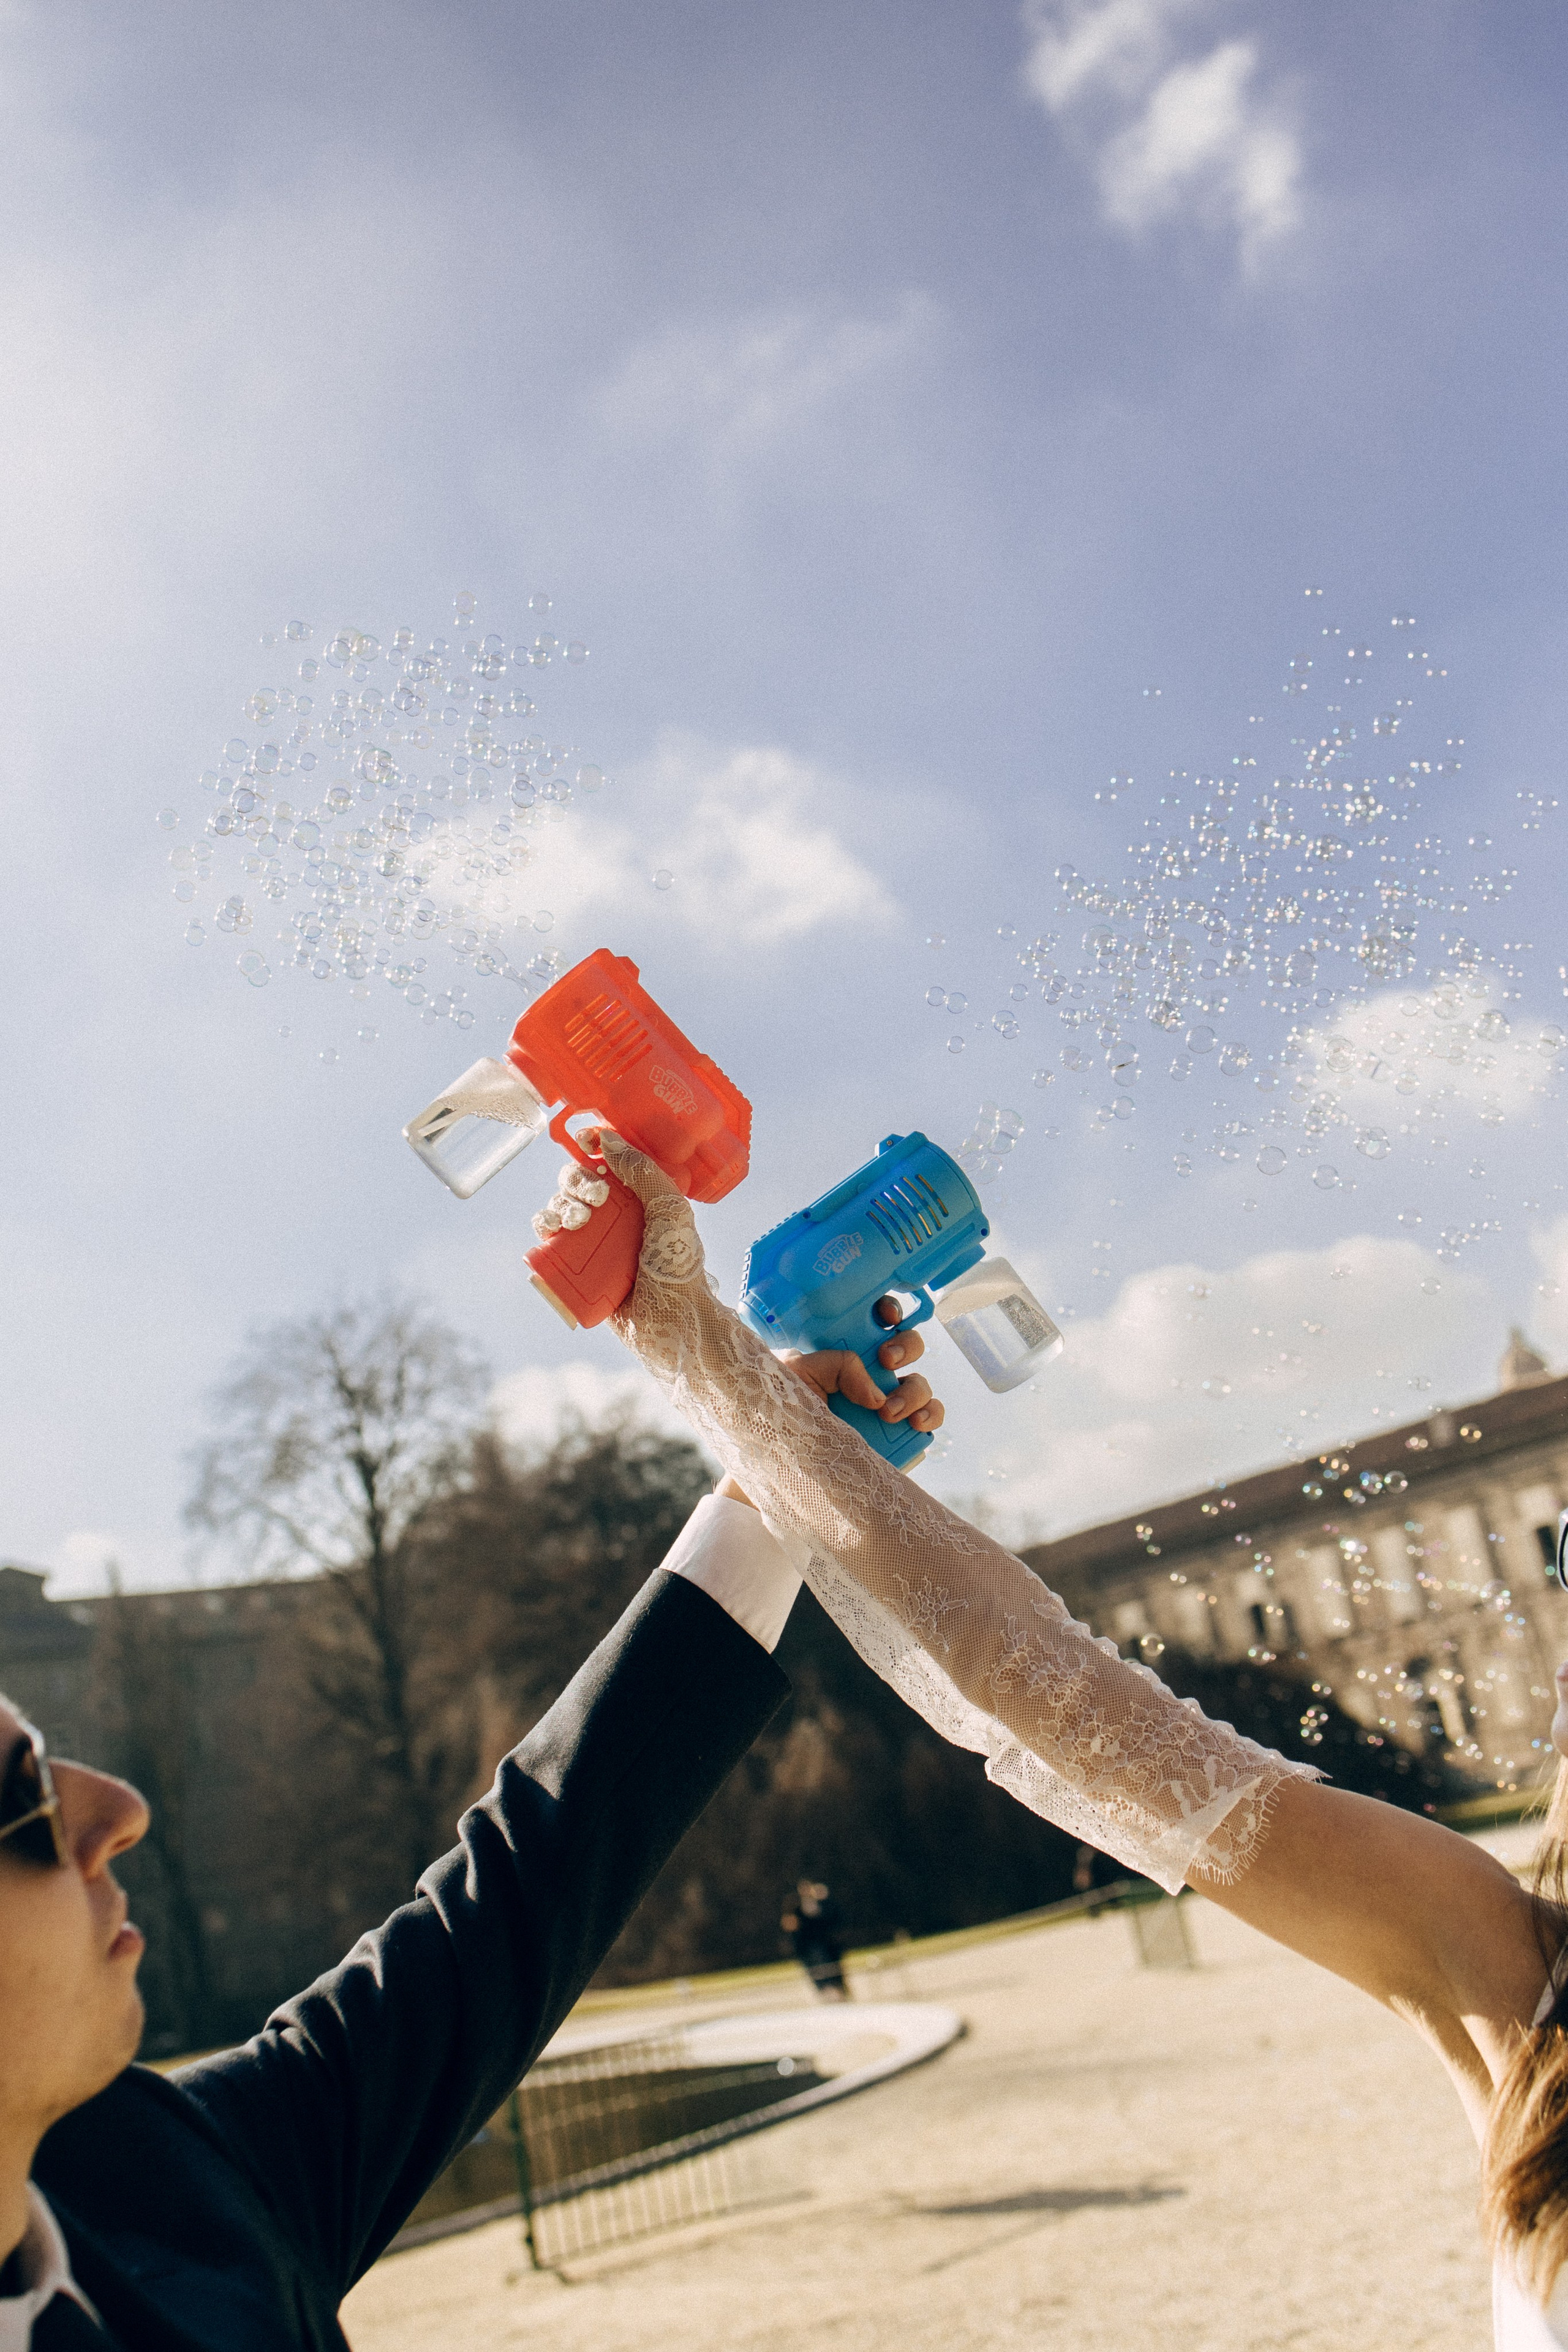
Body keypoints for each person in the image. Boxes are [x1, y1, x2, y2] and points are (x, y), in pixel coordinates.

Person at [592, 1127, 1568, 2352]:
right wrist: (721, 1379)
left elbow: (1045, 1689)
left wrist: (714, 1368)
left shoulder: (1516, 1997)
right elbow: (1044, 1690)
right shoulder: (1519, 1992)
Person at [0, 1313, 945, 2348]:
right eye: (22, 1792)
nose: (118, 1811)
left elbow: (514, 1899)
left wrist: (767, 1494)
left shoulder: (155, 2175)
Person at [781, 1879, 848, 2000]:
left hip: (825, 1944)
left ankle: (838, 1990)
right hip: (807, 1947)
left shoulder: (822, 1902)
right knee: (816, 1970)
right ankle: (826, 1992)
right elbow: (791, 1926)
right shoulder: (795, 1907)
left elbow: (831, 1918)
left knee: (832, 1969)